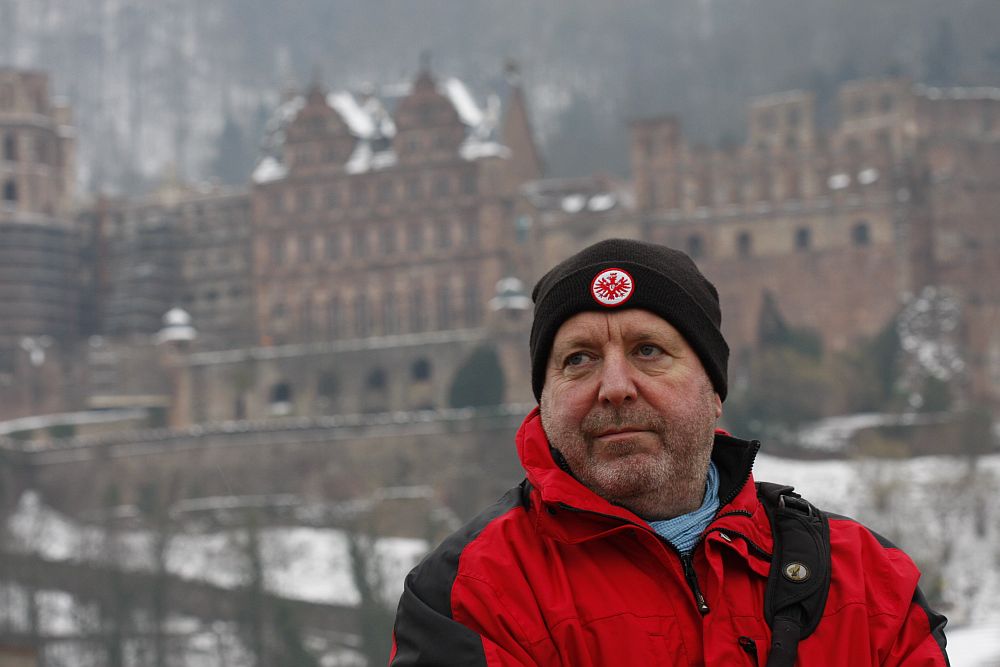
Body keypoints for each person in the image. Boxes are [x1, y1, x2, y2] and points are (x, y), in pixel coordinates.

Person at [389, 239, 949, 666]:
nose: (614, 386)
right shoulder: (469, 592)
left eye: (649, 350)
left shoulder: (870, 582)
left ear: (714, 392)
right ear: (543, 400)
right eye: (578, 359)